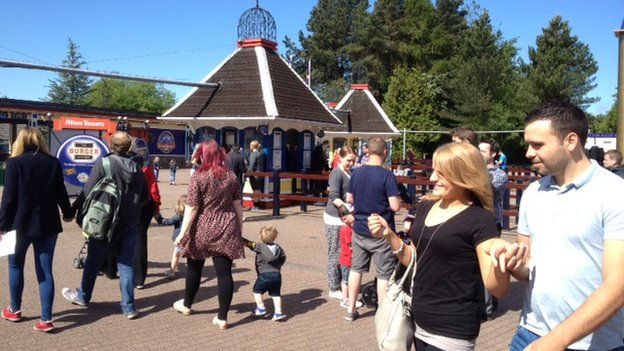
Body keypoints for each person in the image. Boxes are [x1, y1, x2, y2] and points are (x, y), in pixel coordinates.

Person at [498, 101, 624, 351]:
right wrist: (514, 263)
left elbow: (618, 284)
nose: (528, 153)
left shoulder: (615, 193)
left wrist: (555, 341)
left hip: (594, 344)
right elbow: (527, 268)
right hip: (530, 333)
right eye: (528, 144)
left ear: (571, 141)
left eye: (538, 144)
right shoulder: (533, 192)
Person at [368, 142, 513, 351]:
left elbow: (498, 288)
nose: (433, 178)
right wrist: (389, 235)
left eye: (442, 173)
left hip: (453, 329)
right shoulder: (427, 205)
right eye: (434, 170)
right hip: (418, 320)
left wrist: (501, 260)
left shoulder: (480, 219)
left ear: (464, 174)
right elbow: (415, 259)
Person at [62, 131, 148, 320]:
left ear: (111, 145)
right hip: (130, 222)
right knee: (125, 264)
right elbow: (145, 196)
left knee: (93, 260)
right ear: (129, 147)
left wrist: (72, 210)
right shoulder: (137, 167)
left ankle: (83, 297)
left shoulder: (105, 162)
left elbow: (87, 189)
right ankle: (129, 307)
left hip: (105, 220)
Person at [0, 127, 74, 332]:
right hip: (48, 225)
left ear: (19, 142)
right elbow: (61, 192)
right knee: (45, 271)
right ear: (41, 141)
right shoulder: (52, 162)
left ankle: (14, 310)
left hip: (18, 225)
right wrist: (68, 213)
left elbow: (9, 198)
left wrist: (2, 224)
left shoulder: (14, 163)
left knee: (15, 268)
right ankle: (46, 319)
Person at [172, 140, 244, 330]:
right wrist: (239, 227)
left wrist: (183, 231)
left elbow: (192, 206)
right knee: (224, 273)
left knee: (194, 268)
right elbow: (238, 205)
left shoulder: (199, 176)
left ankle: (187, 305)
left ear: (203, 154)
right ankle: (222, 317)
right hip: (226, 226)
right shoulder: (231, 176)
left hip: (202, 226)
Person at [344, 136, 401, 322]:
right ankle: (383, 315)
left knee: (356, 269)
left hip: (360, 228)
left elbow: (349, 198)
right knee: (384, 274)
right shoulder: (387, 175)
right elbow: (395, 206)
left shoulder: (356, 173)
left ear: (367, 151)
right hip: (380, 231)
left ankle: (351, 309)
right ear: (385, 152)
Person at [478, 139, 509, 320]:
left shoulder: (499, 174)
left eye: (483, 151)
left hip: (491, 223)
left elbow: (486, 189)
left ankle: (487, 307)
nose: (479, 154)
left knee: (488, 264)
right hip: (474, 222)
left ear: (493, 154)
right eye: (478, 150)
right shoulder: (474, 172)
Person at [323, 146, 356, 300]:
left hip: (346, 216)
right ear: (340, 158)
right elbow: (334, 197)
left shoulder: (351, 173)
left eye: (353, 160)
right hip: (334, 217)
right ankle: (333, 286)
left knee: (345, 251)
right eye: (349, 160)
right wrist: (345, 209)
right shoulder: (336, 173)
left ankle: (344, 282)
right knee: (334, 252)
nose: (351, 163)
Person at [243, 225, 287, 321]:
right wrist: (278, 265)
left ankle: (261, 308)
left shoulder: (260, 246)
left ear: (261, 237)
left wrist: (240, 238)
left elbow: (249, 244)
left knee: (257, 291)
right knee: (276, 294)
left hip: (264, 275)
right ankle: (278, 313)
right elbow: (283, 258)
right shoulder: (278, 248)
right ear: (275, 236)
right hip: (276, 275)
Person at [134, 149, 161, 289]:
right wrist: (157, 208)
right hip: (147, 205)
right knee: (140, 239)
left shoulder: (129, 166)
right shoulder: (148, 168)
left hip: (132, 205)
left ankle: (111, 268)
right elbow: (153, 188)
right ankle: (139, 278)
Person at [155, 195, 186, 278]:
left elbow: (167, 222)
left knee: (176, 255)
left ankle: (172, 271)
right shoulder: (192, 215)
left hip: (180, 239)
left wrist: (158, 217)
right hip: (190, 239)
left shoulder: (179, 216)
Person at [248, 140, 264, 211]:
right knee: (258, 190)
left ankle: (255, 206)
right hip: (260, 174)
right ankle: (258, 205)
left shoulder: (253, 154)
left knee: (255, 190)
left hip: (254, 175)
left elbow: (251, 166)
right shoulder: (260, 153)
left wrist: (248, 172)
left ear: (252, 146)